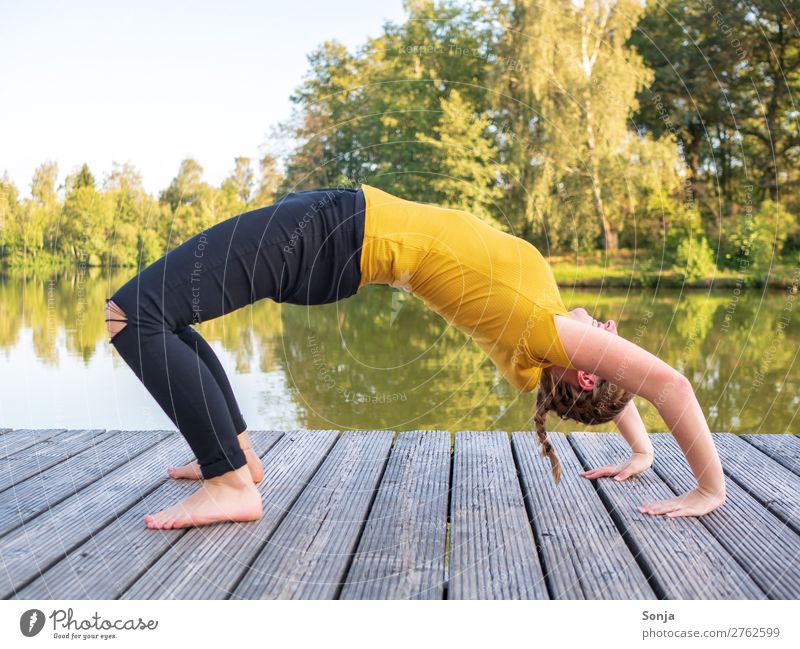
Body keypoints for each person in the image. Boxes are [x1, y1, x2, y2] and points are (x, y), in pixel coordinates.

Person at [105, 183, 726, 530]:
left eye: (612, 343)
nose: (614, 330)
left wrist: (708, 488)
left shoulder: (542, 332)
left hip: (337, 233)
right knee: (159, 313)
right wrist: (641, 450)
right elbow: (624, 389)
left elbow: (667, 384)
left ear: (588, 369)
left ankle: (230, 483)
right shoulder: (546, 331)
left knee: (132, 315)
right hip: (340, 222)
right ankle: (233, 453)